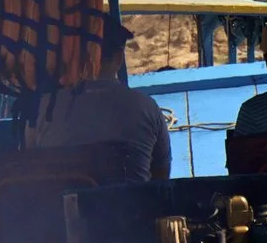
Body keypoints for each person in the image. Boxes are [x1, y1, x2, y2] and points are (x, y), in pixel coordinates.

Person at [27, 22, 171, 183]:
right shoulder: (146, 107)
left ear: (78, 56)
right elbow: (161, 176)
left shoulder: (44, 108)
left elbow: (32, 166)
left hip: (63, 206)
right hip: (132, 206)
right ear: (118, 58)